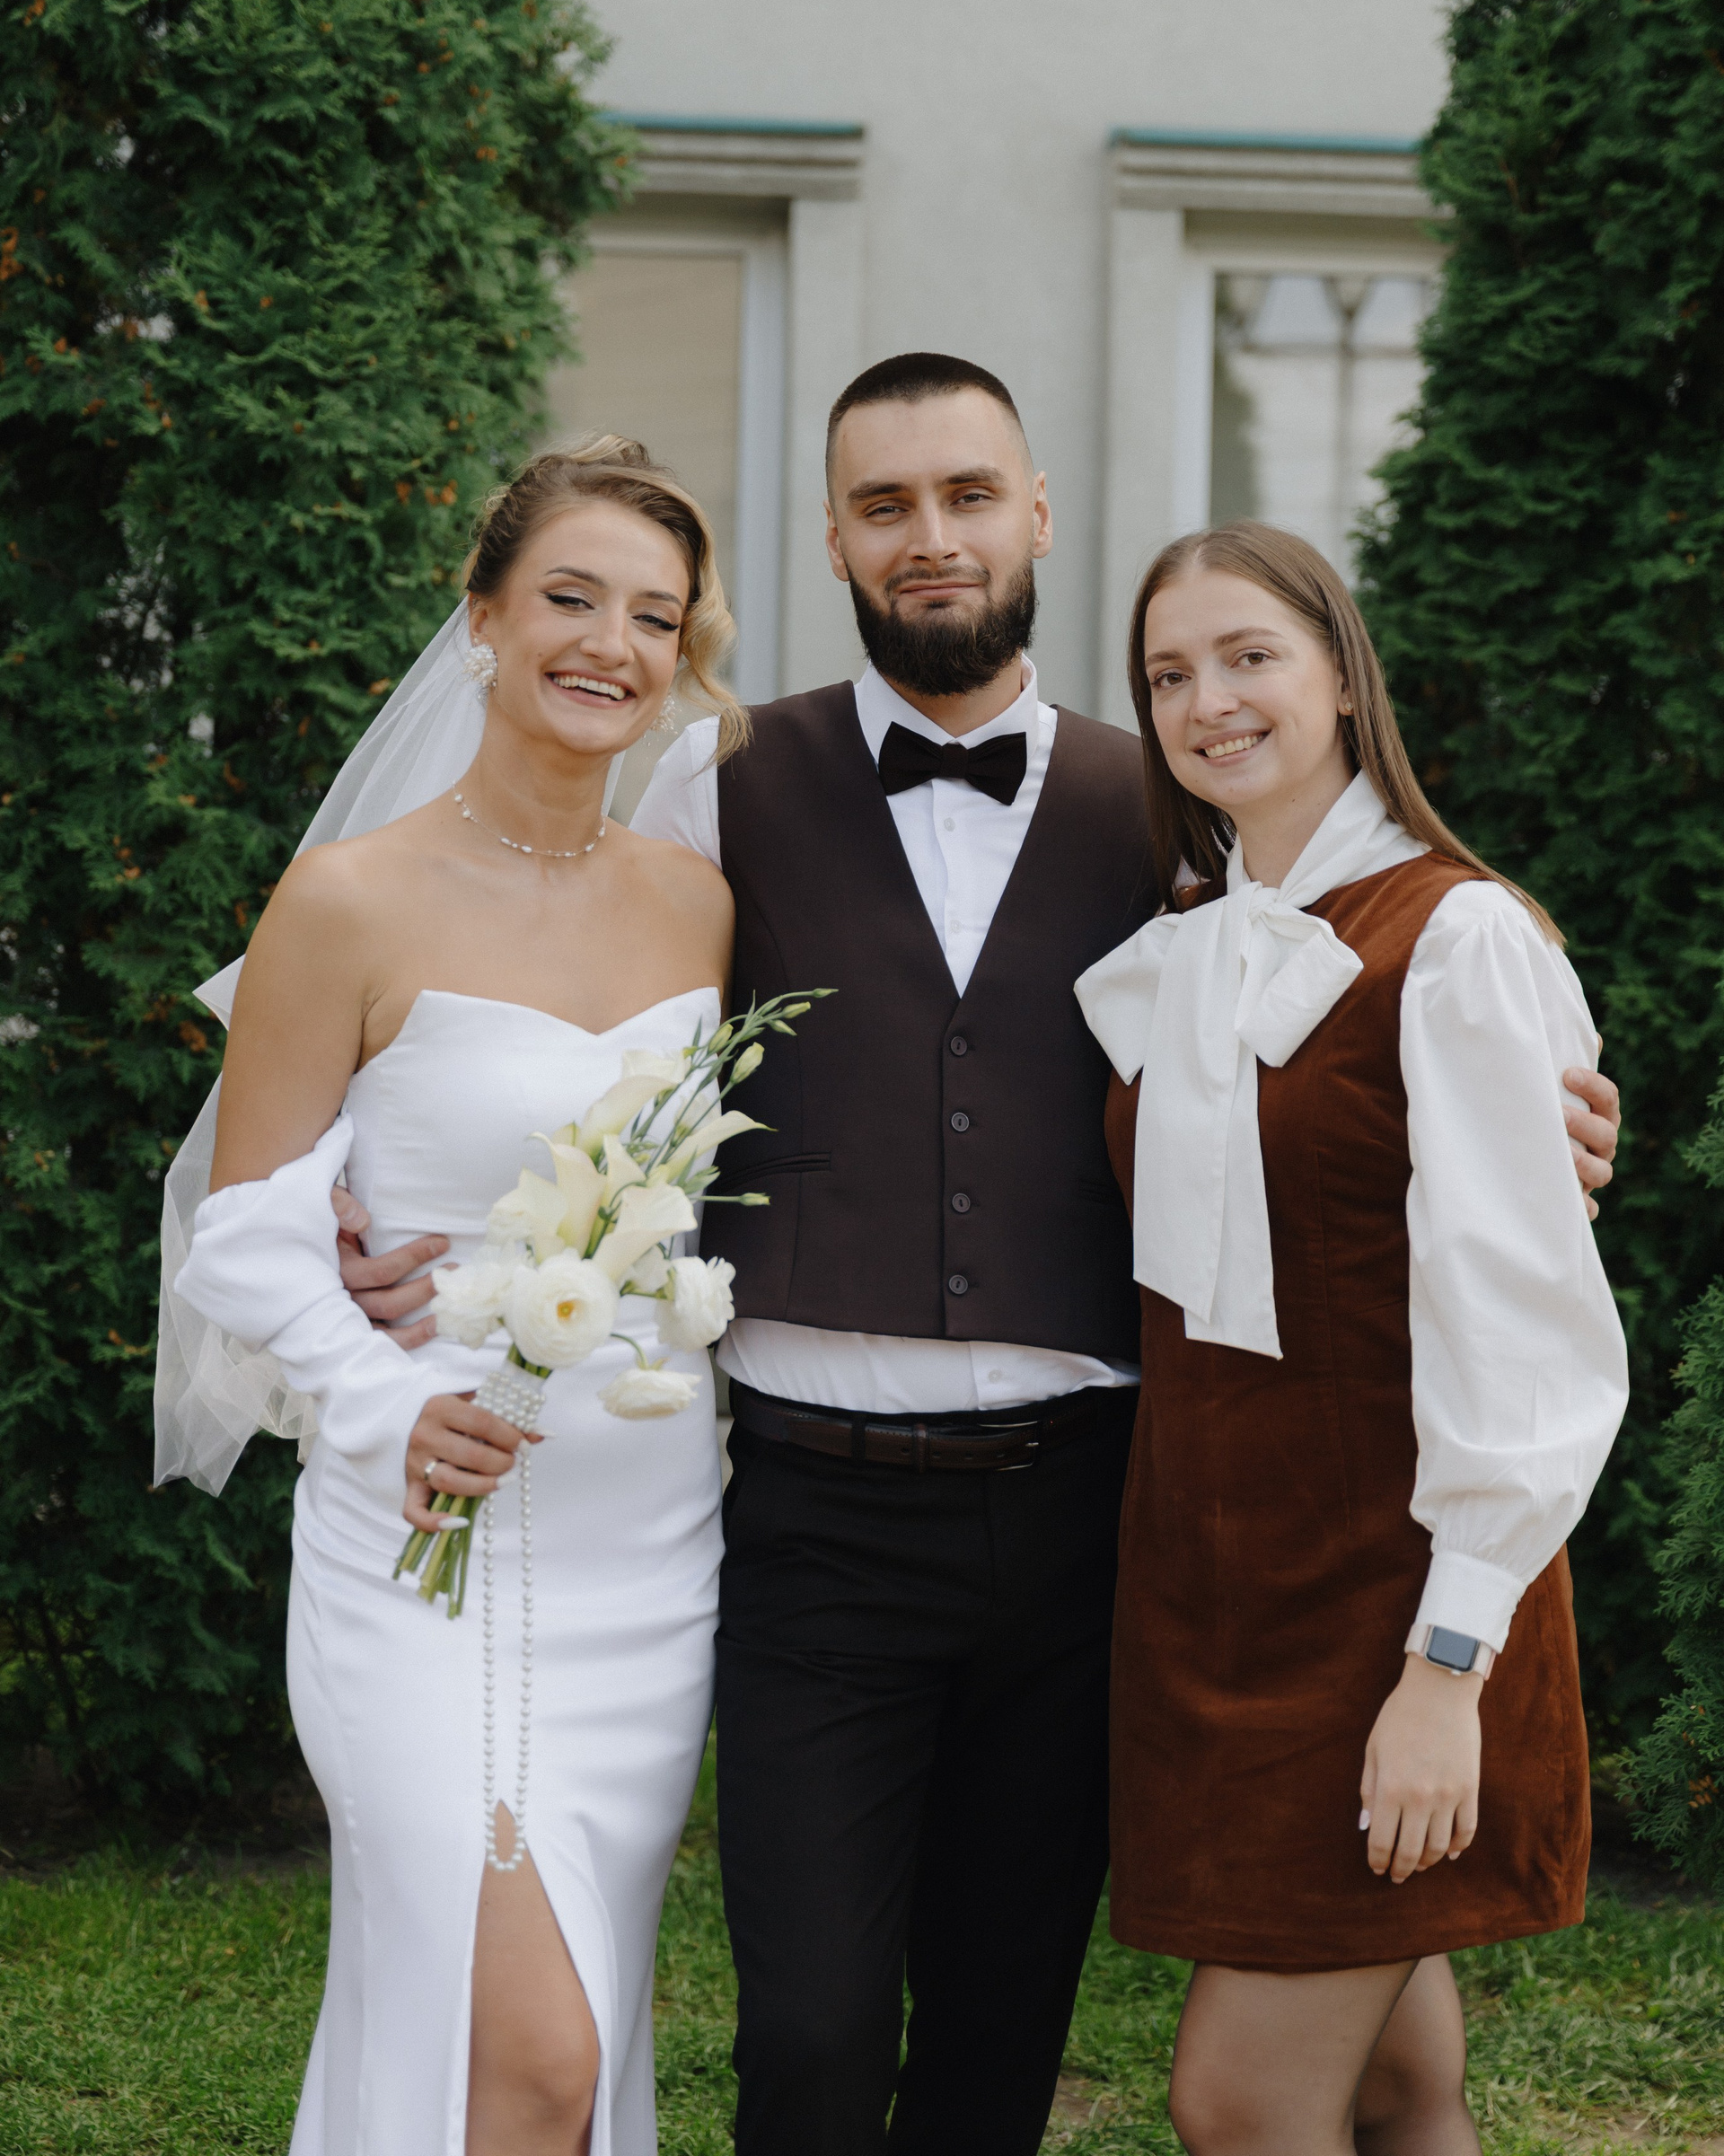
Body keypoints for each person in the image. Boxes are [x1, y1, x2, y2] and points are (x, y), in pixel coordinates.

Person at [336, 358, 1623, 2156]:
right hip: (814, 1514)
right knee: (806, 2037)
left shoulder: (1178, 815)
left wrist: (1545, 1124)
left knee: (1001, 2036)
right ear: (837, 542)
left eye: (966, 495)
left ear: (1035, 515)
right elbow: (569, 1016)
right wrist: (380, 1178)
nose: (930, 536)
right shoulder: (719, 782)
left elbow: (1351, 1047)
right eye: (885, 506)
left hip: (1096, 1519)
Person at [155, 439, 742, 2156]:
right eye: (570, 597)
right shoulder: (348, 897)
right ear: (480, 618)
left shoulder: (702, 904)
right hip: (423, 1538)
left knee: (560, 2040)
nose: (610, 644)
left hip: (649, 1551)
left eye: (655, 618)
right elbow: (244, 1229)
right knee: (534, 2051)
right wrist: (385, 1399)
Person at [1076, 520, 1630, 2156]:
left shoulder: (1457, 938)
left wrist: (1446, 1671)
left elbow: (1523, 1329)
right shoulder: (1188, 937)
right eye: (1169, 674)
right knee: (1396, 2091)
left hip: (1399, 1601)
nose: (1208, 701)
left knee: (1238, 2102)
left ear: (1340, 677)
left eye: (1249, 656)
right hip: (1221, 1590)